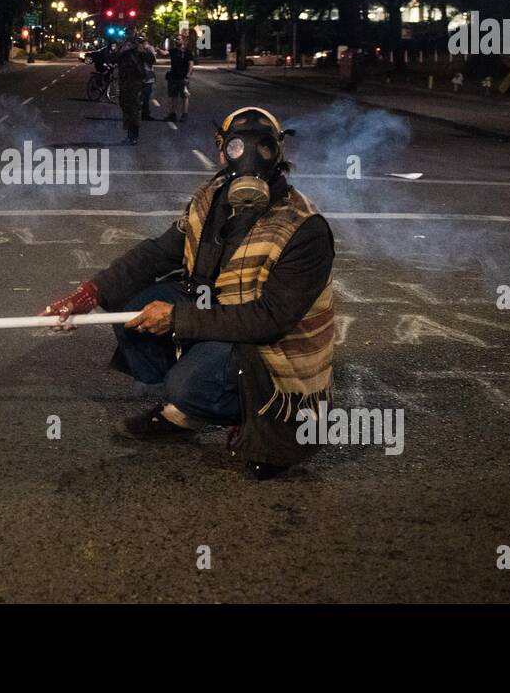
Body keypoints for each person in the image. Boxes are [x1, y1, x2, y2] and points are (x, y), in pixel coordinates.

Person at [41, 107, 335, 479]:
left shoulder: (304, 228)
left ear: (279, 152)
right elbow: (158, 253)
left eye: (263, 147)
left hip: (270, 347)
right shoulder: (211, 197)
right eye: (237, 147)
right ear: (220, 149)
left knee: (186, 384)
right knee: (135, 309)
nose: (249, 157)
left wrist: (177, 319)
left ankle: (252, 415)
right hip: (220, 315)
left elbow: (270, 320)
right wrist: (89, 294)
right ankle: (197, 402)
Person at [115, 33, 154, 144]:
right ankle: (129, 135)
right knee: (125, 106)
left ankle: (134, 136)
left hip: (136, 82)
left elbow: (151, 60)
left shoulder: (139, 50)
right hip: (124, 82)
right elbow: (112, 59)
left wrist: (144, 50)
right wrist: (121, 49)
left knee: (134, 109)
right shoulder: (123, 50)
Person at [165, 36, 193, 122]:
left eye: (179, 39)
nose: (177, 40)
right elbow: (165, 53)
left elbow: (191, 64)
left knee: (185, 96)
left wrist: (188, 76)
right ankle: (173, 114)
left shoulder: (187, 52)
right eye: (176, 39)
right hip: (173, 77)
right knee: (174, 96)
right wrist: (156, 49)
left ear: (183, 41)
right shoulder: (173, 51)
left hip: (183, 77)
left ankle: (184, 115)